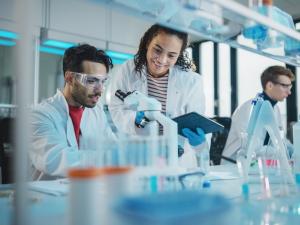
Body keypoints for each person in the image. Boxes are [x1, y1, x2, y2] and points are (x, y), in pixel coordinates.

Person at [108, 24, 208, 168]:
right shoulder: (127, 71)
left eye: (171, 55)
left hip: (179, 161)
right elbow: (117, 108)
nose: (161, 60)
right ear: (148, 42)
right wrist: (134, 121)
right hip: (141, 157)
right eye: (157, 50)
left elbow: (197, 120)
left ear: (179, 55)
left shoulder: (191, 81)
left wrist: (199, 142)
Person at [30, 44, 114, 180]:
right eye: (92, 81)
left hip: (87, 192)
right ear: (69, 78)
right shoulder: (40, 114)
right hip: (47, 198)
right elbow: (54, 159)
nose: (100, 90)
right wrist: (109, 158)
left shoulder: (97, 113)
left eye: (103, 81)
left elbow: (113, 146)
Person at [222, 65, 295, 163]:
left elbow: (280, 140)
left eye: (290, 87)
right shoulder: (249, 108)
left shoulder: (275, 109)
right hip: (234, 165)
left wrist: (294, 152)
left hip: (259, 164)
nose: (289, 92)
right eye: (285, 86)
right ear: (269, 85)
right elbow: (252, 147)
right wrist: (280, 153)